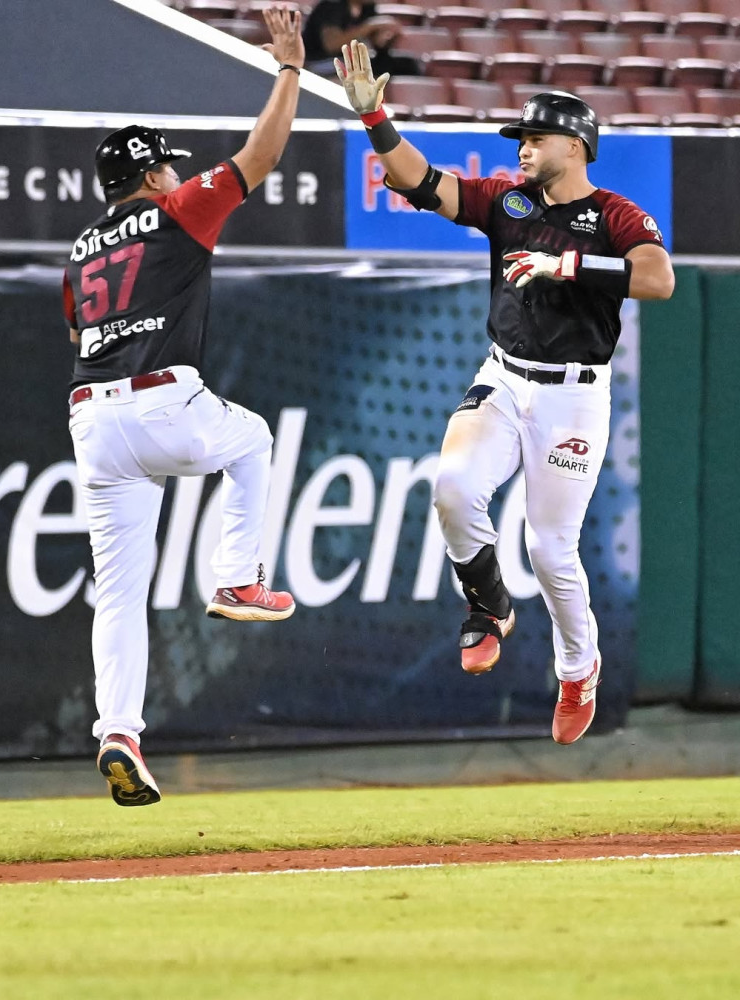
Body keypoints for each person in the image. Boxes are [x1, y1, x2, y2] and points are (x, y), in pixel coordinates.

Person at [335, 41, 675, 745]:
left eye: (534, 137)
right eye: (519, 138)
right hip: (504, 374)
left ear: (575, 145)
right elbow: (423, 183)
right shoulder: (507, 201)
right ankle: (488, 607)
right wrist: (374, 119)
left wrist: (570, 264)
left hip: (574, 395)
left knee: (550, 550)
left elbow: (658, 278)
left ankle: (579, 668)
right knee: (453, 486)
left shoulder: (613, 214)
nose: (521, 147)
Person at [62, 6, 304, 806]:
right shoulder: (174, 209)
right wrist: (289, 67)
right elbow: (262, 153)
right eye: (165, 164)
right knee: (253, 438)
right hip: (162, 399)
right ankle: (238, 578)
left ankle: (118, 732)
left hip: (92, 417)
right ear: (150, 174)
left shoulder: (80, 249)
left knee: (119, 593)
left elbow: (79, 323)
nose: (174, 170)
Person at [302, 0, 419, 78]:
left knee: (405, 64)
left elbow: (376, 42)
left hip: (352, 61)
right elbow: (331, 45)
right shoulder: (332, 5)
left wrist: (386, 36)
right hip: (320, 63)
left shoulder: (368, 7)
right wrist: (370, 26)